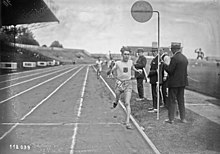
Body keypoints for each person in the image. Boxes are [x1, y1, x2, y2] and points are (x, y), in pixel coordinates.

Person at [108, 46, 142, 129]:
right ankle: (116, 101)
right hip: (119, 83)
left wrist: (137, 70)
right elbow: (112, 70)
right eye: (125, 54)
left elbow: (132, 67)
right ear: (122, 55)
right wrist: (111, 73)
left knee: (127, 103)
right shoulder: (118, 63)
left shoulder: (130, 62)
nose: (127, 56)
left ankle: (127, 122)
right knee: (117, 97)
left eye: (128, 54)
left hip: (128, 84)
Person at [163, 42, 188, 124]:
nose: (171, 50)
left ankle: (171, 119)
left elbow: (170, 70)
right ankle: (183, 118)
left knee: (172, 100)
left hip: (174, 83)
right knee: (181, 100)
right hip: (182, 83)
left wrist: (164, 65)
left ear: (174, 49)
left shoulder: (174, 58)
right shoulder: (184, 58)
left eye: (171, 49)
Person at [147, 48, 163, 113]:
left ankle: (156, 107)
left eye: (154, 51)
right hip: (153, 79)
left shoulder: (158, 59)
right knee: (154, 93)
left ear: (157, 52)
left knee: (156, 93)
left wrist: (150, 73)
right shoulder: (154, 59)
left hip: (156, 78)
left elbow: (157, 70)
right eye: (152, 51)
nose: (153, 53)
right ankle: (154, 106)